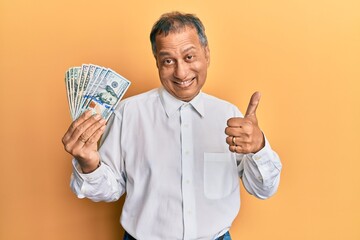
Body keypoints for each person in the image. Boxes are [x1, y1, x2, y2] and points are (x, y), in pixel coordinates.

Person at [62, 11, 282, 240]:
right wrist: (89, 164)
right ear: (157, 62)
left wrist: (259, 148)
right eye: (168, 61)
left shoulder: (229, 115)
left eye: (189, 57)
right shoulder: (127, 114)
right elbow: (109, 190)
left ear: (206, 54)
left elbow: (263, 190)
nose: (181, 72)